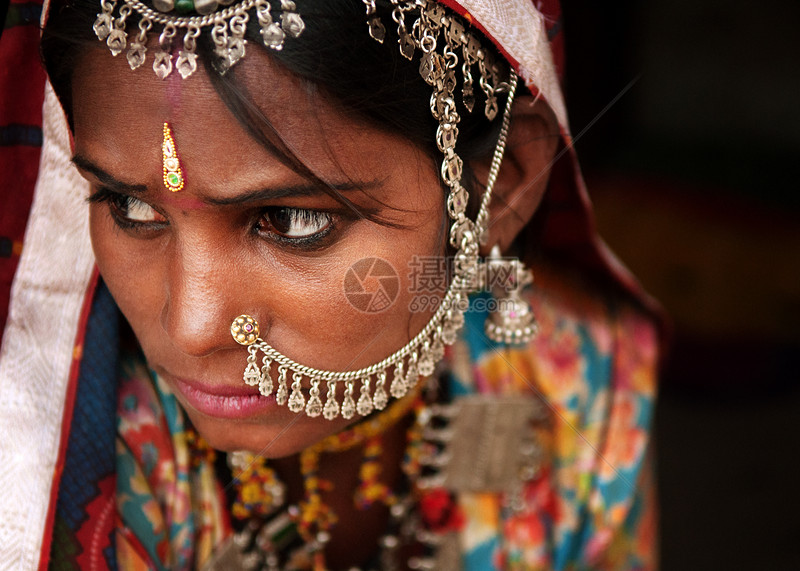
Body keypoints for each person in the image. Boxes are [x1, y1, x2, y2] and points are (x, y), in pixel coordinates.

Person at [0, 0, 661, 569]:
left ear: (501, 181)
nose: (190, 327)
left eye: (289, 220)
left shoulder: (581, 377)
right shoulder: (57, 472)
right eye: (130, 207)